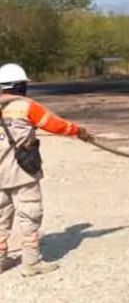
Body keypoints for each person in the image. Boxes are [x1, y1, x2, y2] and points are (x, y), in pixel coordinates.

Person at [0, 63, 94, 277]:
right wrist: (78, 131)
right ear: (21, 86)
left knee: (0, 218)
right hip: (22, 172)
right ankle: (31, 263)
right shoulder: (26, 106)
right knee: (30, 214)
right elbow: (55, 124)